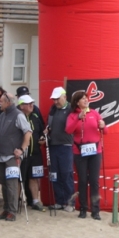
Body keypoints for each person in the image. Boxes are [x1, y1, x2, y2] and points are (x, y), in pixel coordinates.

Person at [65, 90, 106, 220]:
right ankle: (83, 208)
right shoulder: (72, 116)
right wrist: (78, 118)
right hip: (79, 151)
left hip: (95, 151)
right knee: (82, 180)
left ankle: (95, 210)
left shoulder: (94, 113)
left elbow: (105, 131)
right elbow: (68, 130)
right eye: (83, 98)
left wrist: (103, 125)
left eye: (86, 98)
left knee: (94, 181)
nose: (86, 100)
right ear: (77, 102)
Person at [0, 93, 31, 222]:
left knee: (11, 184)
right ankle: (6, 208)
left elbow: (28, 132)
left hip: (12, 155)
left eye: (2, 101)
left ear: (8, 102)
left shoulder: (18, 115)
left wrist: (22, 149)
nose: (0, 103)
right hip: (1, 154)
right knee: (4, 184)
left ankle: (12, 211)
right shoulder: (2, 115)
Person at [47, 87, 75, 212]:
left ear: (64, 97)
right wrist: (47, 130)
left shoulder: (71, 109)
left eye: (57, 99)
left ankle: (70, 202)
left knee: (66, 174)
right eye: (54, 99)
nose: (55, 102)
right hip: (53, 145)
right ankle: (60, 201)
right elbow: (49, 125)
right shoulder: (53, 109)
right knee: (55, 174)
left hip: (66, 146)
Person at [18, 94, 46, 211]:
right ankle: (16, 201)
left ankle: (35, 200)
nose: (31, 105)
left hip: (35, 153)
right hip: (22, 153)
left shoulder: (35, 116)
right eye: (28, 104)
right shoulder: (18, 117)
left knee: (34, 177)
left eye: (32, 103)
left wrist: (42, 138)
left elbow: (41, 131)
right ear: (21, 106)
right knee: (19, 179)